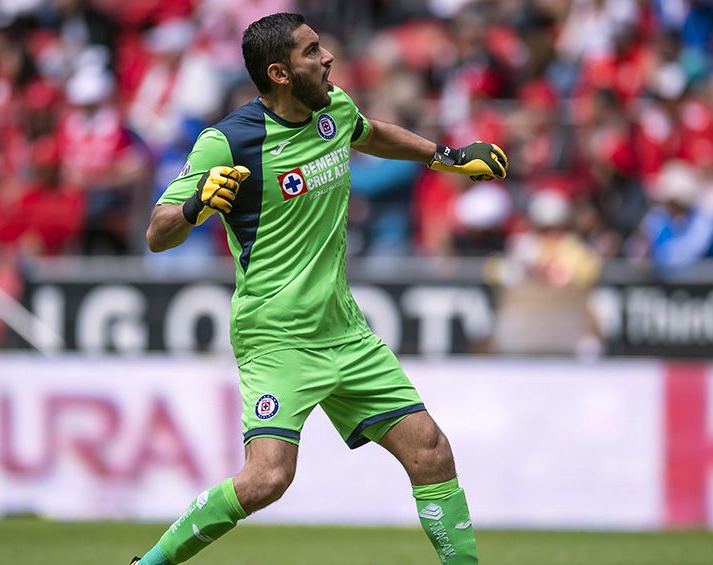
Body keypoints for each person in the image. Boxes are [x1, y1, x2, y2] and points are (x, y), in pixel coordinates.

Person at [136, 13, 507, 565]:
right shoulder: (228, 141)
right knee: (267, 478)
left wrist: (444, 157)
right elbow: (157, 233)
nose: (328, 58)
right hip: (277, 337)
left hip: (344, 330)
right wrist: (195, 205)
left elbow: (372, 132)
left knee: (431, 452)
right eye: (312, 52)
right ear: (280, 72)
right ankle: (150, 564)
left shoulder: (333, 107)